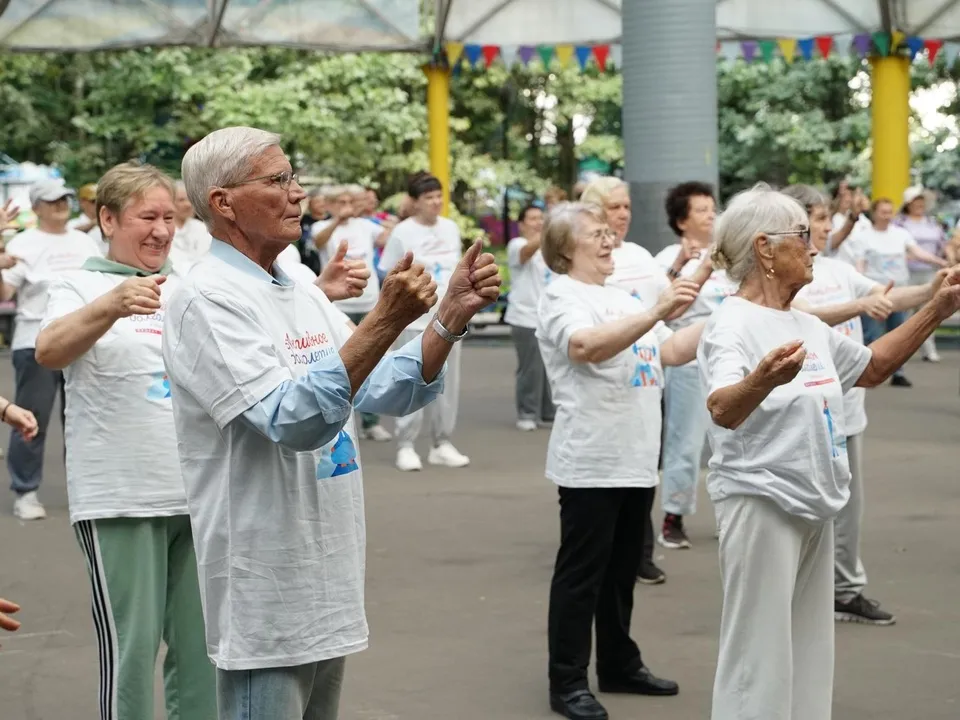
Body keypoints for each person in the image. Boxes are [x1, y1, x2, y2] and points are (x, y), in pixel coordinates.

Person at [164, 126, 501, 720]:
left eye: (294, 178)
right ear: (223, 203)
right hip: (264, 583)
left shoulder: (299, 288)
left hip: (325, 575)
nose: (298, 194)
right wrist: (384, 320)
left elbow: (383, 388)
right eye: (278, 180)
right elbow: (290, 420)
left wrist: (446, 318)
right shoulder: (205, 297)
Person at [700, 184, 960, 720]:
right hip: (760, 503)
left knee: (809, 651)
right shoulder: (731, 325)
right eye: (802, 235)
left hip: (814, 503)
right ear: (766, 249)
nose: (815, 246)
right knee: (757, 658)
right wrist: (762, 380)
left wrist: (937, 309)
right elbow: (723, 407)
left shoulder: (806, 325)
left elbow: (872, 367)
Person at [34, 162, 217, 720]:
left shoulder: (188, 283)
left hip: (198, 496)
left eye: (169, 216)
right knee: (131, 653)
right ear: (108, 218)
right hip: (120, 499)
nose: (162, 229)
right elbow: (49, 350)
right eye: (147, 217)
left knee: (202, 656)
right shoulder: (77, 284)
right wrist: (111, 304)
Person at [537, 202, 703, 720]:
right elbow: (584, 346)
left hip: (635, 457)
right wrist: (656, 310)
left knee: (622, 570)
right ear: (565, 249)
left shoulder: (620, 296)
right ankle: (566, 681)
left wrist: (732, 313)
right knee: (581, 574)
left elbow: (671, 351)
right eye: (595, 234)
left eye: (610, 232)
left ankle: (617, 662)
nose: (609, 240)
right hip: (591, 459)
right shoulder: (562, 295)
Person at [785, 184, 948, 627]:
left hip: (848, 410)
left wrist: (932, 292)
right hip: (803, 414)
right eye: (818, 219)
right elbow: (794, 318)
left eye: (825, 218)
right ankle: (800, 593)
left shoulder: (836, 270)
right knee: (801, 508)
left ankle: (844, 591)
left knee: (848, 508)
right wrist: (861, 305)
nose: (826, 226)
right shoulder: (782, 278)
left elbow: (887, 297)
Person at [579, 176, 709, 583]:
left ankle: (640, 553)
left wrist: (702, 270)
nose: (622, 215)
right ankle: (598, 550)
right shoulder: (584, 260)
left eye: (626, 207)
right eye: (613, 207)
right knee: (603, 471)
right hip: (600, 381)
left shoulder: (637, 255)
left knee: (644, 463)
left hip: (646, 378)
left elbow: (665, 307)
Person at [1, 180, 101, 520]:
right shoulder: (24, 242)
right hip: (34, 342)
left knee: (83, 419)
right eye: (52, 200)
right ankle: (25, 491)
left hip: (83, 340)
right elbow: (4, 291)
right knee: (32, 419)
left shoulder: (84, 241)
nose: (60, 204)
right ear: (37, 207)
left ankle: (83, 489)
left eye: (64, 198)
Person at [654, 182, 736, 551]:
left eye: (712, 208)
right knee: (684, 442)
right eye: (701, 210)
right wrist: (681, 266)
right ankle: (674, 515)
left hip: (733, 359)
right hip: (687, 359)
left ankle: (733, 514)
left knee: (735, 441)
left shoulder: (729, 258)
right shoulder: (669, 257)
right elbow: (660, 306)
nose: (711, 215)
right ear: (682, 220)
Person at [379, 171, 472, 472]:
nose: (435, 203)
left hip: (450, 315)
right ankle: (406, 444)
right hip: (415, 319)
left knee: (449, 382)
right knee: (410, 379)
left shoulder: (450, 228)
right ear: (415, 202)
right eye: (428, 198)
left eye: (438, 197)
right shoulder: (402, 232)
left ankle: (442, 443)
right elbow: (388, 275)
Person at [312, 186, 393, 442]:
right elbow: (318, 242)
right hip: (339, 306)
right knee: (341, 364)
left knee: (369, 362)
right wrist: (337, 219)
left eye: (350, 201)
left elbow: (388, 238)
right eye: (341, 202)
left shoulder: (365, 225)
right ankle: (338, 420)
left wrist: (380, 215)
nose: (346, 206)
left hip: (368, 302)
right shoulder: (321, 227)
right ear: (331, 205)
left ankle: (370, 422)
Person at [842, 197, 948, 387]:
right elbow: (859, 264)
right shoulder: (863, 236)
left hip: (901, 291)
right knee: (872, 334)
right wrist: (856, 286)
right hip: (874, 293)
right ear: (874, 213)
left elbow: (917, 252)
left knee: (900, 331)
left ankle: (898, 372)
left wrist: (938, 262)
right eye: (883, 212)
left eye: (889, 212)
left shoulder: (901, 234)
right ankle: (866, 372)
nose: (886, 216)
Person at [504, 204, 554, 431]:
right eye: (532, 219)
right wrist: (548, 231)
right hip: (524, 317)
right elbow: (526, 254)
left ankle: (546, 412)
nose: (537, 222)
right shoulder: (517, 244)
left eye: (541, 218)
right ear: (522, 225)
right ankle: (527, 412)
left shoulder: (548, 249)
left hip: (549, 317)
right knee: (530, 368)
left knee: (549, 367)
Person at [897, 186, 948, 362]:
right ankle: (902, 350)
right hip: (908, 272)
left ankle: (929, 349)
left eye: (922, 202)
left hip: (930, 272)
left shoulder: (931, 223)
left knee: (930, 309)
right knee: (906, 312)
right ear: (908, 204)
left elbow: (943, 243)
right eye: (916, 202)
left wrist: (946, 260)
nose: (920, 205)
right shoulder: (900, 223)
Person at [167, 180, 212, 271]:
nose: (188, 204)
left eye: (190, 200)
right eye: (181, 200)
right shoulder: (164, 230)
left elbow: (207, 258)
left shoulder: (202, 228)